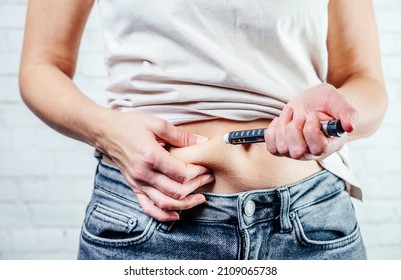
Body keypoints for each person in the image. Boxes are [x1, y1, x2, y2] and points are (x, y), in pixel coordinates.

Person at [19, 0, 387, 260]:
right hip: (151, 223)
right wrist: (108, 132)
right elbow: (40, 66)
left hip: (310, 225)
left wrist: (333, 120)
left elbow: (365, 82)